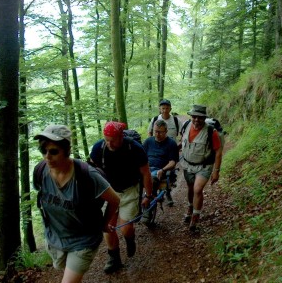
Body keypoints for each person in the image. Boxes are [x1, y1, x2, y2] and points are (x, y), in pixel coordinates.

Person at [33, 124, 120, 283]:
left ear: (66, 150)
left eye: (53, 151)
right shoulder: (40, 172)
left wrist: (104, 224)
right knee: (65, 270)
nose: (47, 156)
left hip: (83, 240)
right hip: (55, 239)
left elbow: (115, 200)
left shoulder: (87, 176)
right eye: (43, 151)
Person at [89, 121, 154, 274]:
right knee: (108, 227)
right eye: (106, 139)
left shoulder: (135, 149)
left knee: (126, 228)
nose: (109, 143)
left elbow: (146, 173)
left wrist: (148, 195)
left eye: (112, 139)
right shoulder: (99, 148)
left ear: (121, 136)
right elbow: (91, 171)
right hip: (108, 191)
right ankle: (114, 258)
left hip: (130, 191)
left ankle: (130, 239)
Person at [180, 105, 222, 232]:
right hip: (187, 164)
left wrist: (216, 171)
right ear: (191, 117)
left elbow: (218, 151)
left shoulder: (211, 132)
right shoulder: (186, 126)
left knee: (197, 189)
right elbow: (181, 141)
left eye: (200, 117)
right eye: (194, 117)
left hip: (204, 166)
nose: (196, 120)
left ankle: (195, 218)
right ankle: (190, 206)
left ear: (204, 118)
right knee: (190, 188)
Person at [142, 120, 179, 223]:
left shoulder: (171, 144)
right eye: (156, 131)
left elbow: (172, 162)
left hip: (159, 170)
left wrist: (163, 170)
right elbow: (141, 157)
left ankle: (147, 209)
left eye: (160, 132)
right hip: (146, 168)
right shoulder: (148, 141)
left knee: (151, 178)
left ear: (166, 131)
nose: (157, 134)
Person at [147, 99, 183, 205]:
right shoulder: (154, 120)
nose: (165, 110)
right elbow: (149, 132)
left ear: (170, 109)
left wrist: (180, 144)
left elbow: (183, 133)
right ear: (160, 109)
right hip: (156, 150)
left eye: (167, 108)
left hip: (171, 150)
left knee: (169, 174)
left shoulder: (175, 121)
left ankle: (167, 192)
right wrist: (152, 143)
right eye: (163, 108)